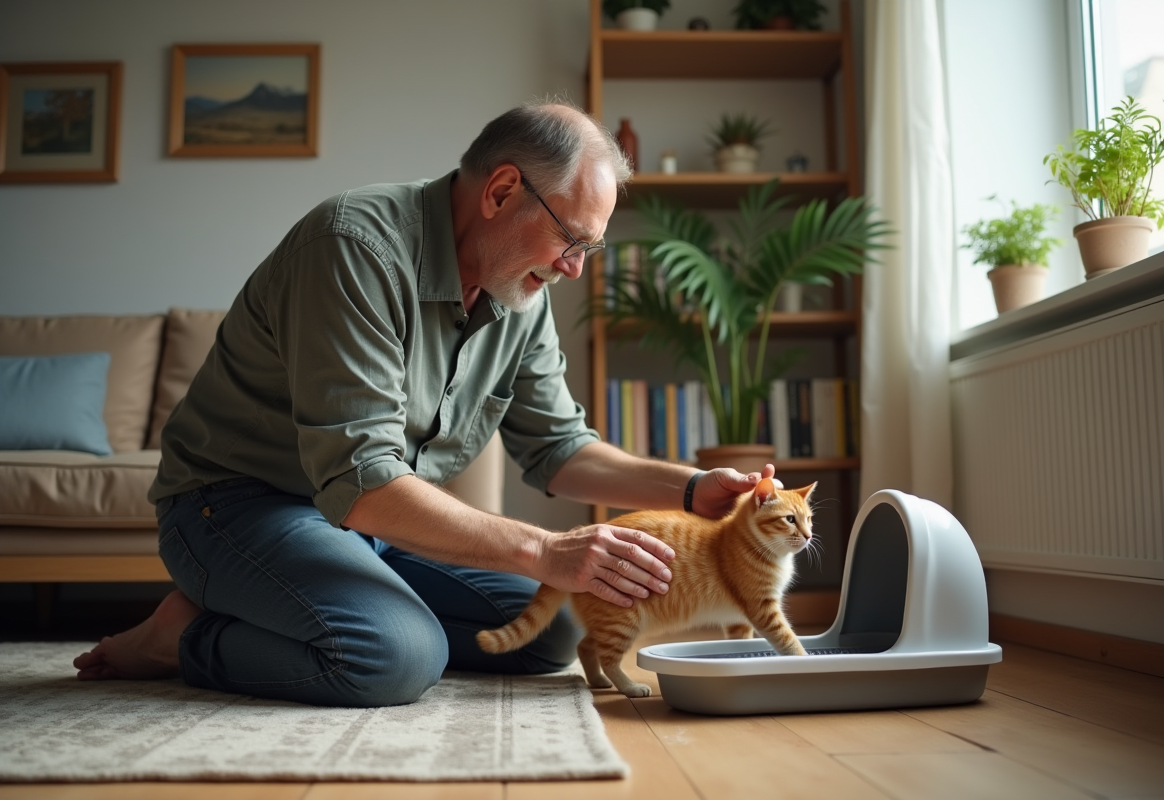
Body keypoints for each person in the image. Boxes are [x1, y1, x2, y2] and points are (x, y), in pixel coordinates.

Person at [73, 102, 775, 707]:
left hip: (373, 522)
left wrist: (693, 489)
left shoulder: (520, 290)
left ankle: (291, 603)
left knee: (552, 629)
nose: (573, 268)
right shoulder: (354, 246)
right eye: (571, 239)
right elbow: (363, 480)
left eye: (589, 248)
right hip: (235, 505)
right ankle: (181, 638)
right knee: (396, 655)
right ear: (502, 191)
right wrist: (547, 549)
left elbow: (559, 448)